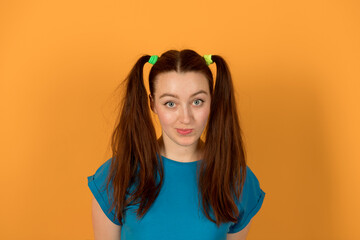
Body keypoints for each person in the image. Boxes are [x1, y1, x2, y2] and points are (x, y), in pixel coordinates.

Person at [87, 49, 265, 240]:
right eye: (171, 104)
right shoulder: (117, 174)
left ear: (212, 102)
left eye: (197, 101)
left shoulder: (238, 179)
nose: (186, 118)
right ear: (153, 104)